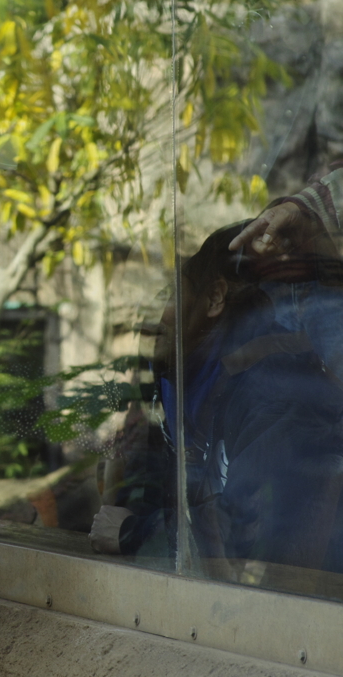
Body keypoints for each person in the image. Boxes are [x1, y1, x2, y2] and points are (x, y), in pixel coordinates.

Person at [89, 166, 343, 574]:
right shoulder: (180, 381)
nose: (154, 315)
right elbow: (154, 487)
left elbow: (252, 541)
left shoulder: (272, 388)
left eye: (172, 292)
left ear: (214, 299)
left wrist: (135, 534)